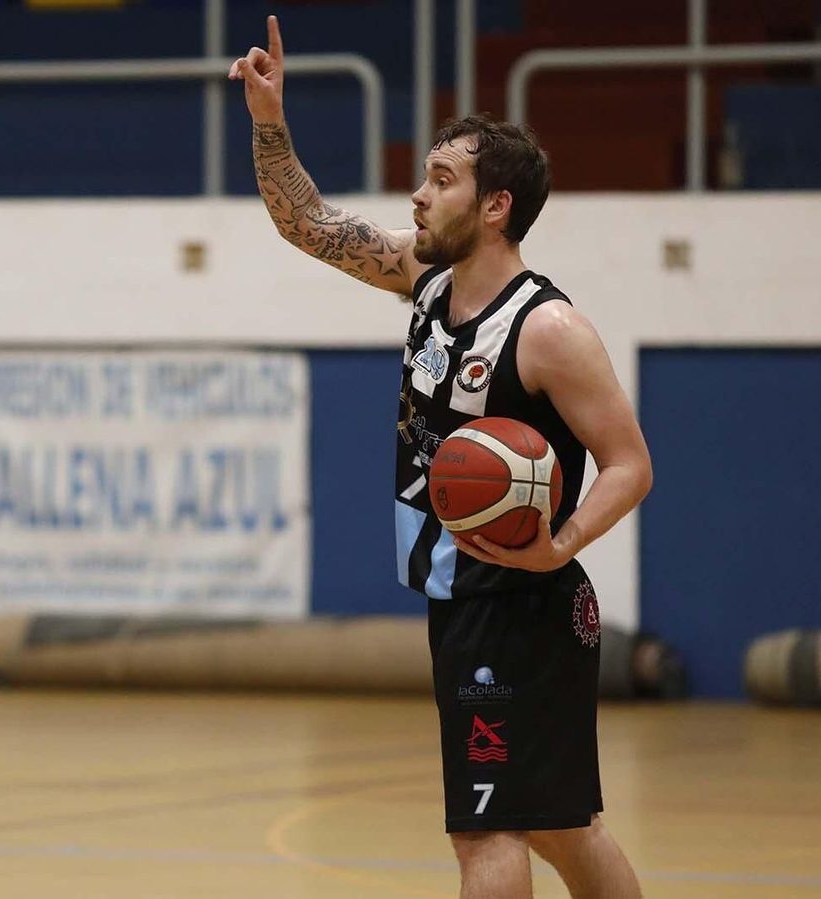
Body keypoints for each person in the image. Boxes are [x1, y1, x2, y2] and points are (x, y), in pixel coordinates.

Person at [231, 17, 652, 899]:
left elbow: (628, 463)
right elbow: (305, 222)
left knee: (487, 833)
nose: (418, 195)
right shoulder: (423, 283)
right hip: (469, 602)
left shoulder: (548, 329)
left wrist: (558, 542)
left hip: (519, 604)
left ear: (495, 205)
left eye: (441, 179)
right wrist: (270, 119)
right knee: (563, 826)